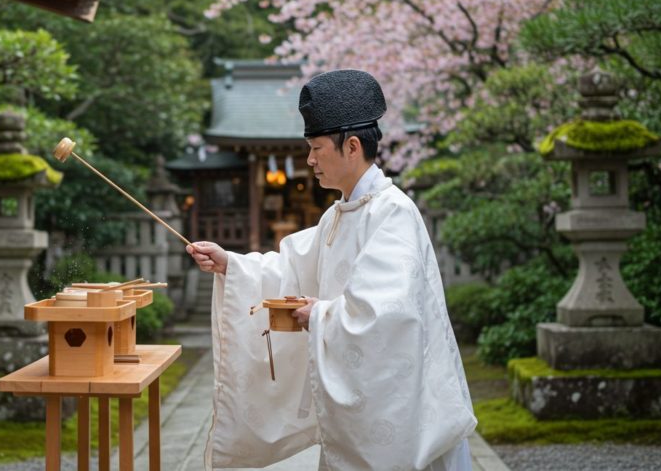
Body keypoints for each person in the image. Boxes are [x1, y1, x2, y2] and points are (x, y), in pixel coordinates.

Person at [186, 70, 476, 470]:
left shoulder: (392, 213)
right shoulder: (340, 215)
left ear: (352, 146)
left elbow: (384, 313)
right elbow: (290, 269)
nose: (309, 160)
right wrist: (231, 263)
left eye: (316, 148)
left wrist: (319, 314)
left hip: (401, 413)